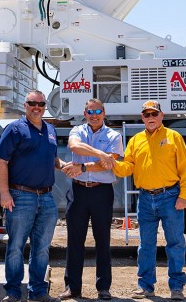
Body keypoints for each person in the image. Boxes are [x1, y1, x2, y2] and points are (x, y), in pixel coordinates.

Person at [113, 100, 186, 301]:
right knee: (146, 245)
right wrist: (112, 163)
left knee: (175, 243)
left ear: (161, 116)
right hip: (145, 199)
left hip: (170, 197)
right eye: (146, 115)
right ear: (142, 117)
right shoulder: (136, 140)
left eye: (154, 114)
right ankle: (145, 286)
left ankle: (176, 287)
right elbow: (128, 167)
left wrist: (184, 196)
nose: (150, 118)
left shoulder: (173, 137)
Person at [0, 90, 72, 302]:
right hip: (21, 196)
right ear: (25, 105)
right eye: (32, 103)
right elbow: (1, 162)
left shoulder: (50, 129)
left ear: (45, 106)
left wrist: (66, 166)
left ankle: (38, 291)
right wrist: (4, 193)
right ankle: (12, 292)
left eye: (40, 103)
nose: (36, 107)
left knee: (41, 248)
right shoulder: (14, 129)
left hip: (47, 198)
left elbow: (54, 159)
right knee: (15, 246)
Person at [61, 99, 124, 301]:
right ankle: (72, 287)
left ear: (104, 113)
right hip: (78, 192)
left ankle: (103, 288)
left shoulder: (114, 135)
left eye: (98, 111)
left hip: (101, 192)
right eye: (90, 111)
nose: (94, 115)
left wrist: (84, 167)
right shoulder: (78, 130)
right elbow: (74, 146)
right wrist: (98, 153)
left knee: (103, 240)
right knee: (74, 241)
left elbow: (110, 162)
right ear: (85, 113)